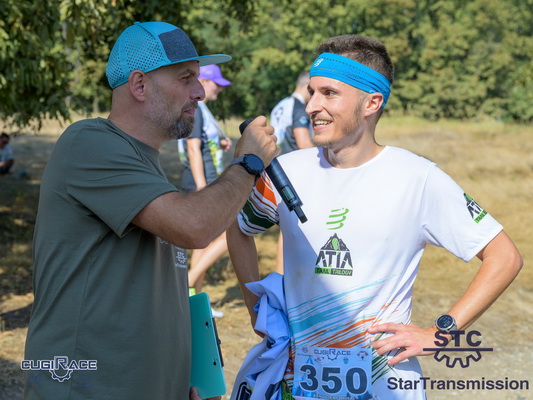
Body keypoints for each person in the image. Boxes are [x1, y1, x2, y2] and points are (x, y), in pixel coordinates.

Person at [227, 34, 523, 399]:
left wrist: (440, 334)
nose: (312, 106)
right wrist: (256, 309)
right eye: (312, 92)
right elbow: (239, 229)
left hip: (384, 383)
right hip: (295, 382)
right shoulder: (285, 171)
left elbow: (504, 257)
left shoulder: (417, 178)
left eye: (329, 94)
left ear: (372, 102)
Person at [23, 21, 278, 400]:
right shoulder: (88, 142)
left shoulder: (145, 161)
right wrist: (248, 164)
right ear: (139, 85)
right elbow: (195, 226)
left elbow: (154, 287)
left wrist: (185, 374)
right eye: (185, 78)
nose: (199, 91)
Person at [179, 65, 232, 316]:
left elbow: (200, 144)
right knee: (230, 234)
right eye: (216, 83)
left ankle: (196, 303)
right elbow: (192, 147)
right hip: (202, 183)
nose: (219, 89)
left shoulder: (202, 109)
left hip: (204, 181)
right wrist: (202, 186)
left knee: (202, 243)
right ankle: (187, 283)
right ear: (203, 81)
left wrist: (218, 143)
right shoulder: (197, 108)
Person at [269, 71, 313, 273]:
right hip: (294, 172)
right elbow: (303, 143)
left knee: (285, 226)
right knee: (293, 225)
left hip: (278, 168)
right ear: (307, 86)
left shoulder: (282, 104)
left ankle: (282, 273)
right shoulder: (299, 108)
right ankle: (284, 274)